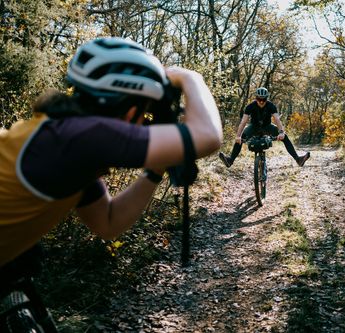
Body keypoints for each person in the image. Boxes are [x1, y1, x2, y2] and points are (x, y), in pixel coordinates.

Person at [0, 37, 222, 269]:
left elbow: (108, 222)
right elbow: (208, 135)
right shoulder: (84, 135)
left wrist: (155, 170)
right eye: (145, 112)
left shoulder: (66, 139)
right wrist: (191, 78)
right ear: (131, 110)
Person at [218, 87, 310, 167]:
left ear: (267, 98)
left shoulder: (271, 106)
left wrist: (281, 132)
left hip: (267, 127)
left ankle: (298, 159)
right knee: (240, 138)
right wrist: (238, 136)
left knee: (285, 137)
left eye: (264, 99)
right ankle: (230, 161)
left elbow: (277, 120)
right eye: (259, 99)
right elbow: (243, 122)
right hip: (253, 127)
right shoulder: (250, 106)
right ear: (256, 98)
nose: (261, 101)